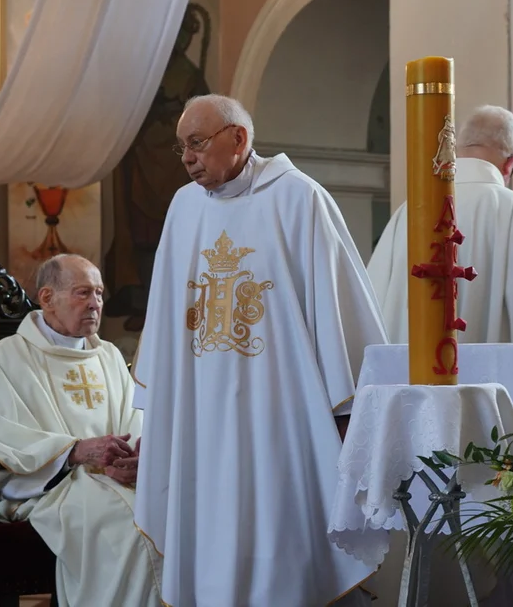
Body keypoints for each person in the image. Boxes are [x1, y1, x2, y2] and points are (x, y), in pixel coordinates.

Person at [132, 94, 385, 607]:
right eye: (182, 147)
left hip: (280, 412)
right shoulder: (183, 209)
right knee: (208, 523)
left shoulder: (298, 200)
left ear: (239, 138)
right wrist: (154, 414)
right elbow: (164, 318)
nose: (187, 158)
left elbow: (338, 314)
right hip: (199, 411)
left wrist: (347, 411)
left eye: (197, 144)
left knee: (279, 532)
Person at [0, 254, 160, 606]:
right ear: (47, 298)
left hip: (114, 480)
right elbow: (0, 434)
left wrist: (134, 458)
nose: (96, 303)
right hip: (45, 485)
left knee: (168, 513)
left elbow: (135, 421)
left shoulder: (109, 356)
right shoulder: (5, 358)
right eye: (83, 293)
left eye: (99, 293)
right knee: (128, 528)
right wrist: (75, 451)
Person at [368, 105, 513, 343]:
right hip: (486, 376)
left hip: (407, 373)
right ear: (510, 164)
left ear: (458, 151)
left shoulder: (409, 209)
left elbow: (373, 301)